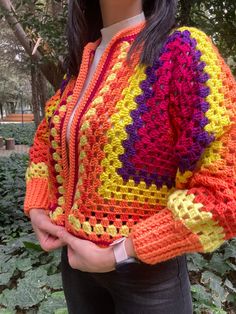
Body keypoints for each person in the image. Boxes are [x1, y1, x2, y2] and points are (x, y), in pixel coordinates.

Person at [24, 0, 236, 313]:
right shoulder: (83, 66)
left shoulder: (183, 53)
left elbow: (224, 193)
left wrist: (118, 254)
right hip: (77, 270)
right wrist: (39, 204)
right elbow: (47, 138)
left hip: (148, 278)